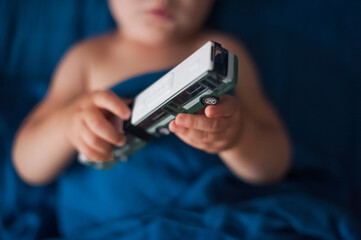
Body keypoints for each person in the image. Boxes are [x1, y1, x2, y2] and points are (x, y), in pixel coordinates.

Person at [12, 0, 291, 235]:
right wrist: (68, 126)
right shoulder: (87, 58)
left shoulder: (224, 53)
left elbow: (274, 166)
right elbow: (28, 165)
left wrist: (238, 138)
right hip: (107, 228)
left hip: (204, 222)